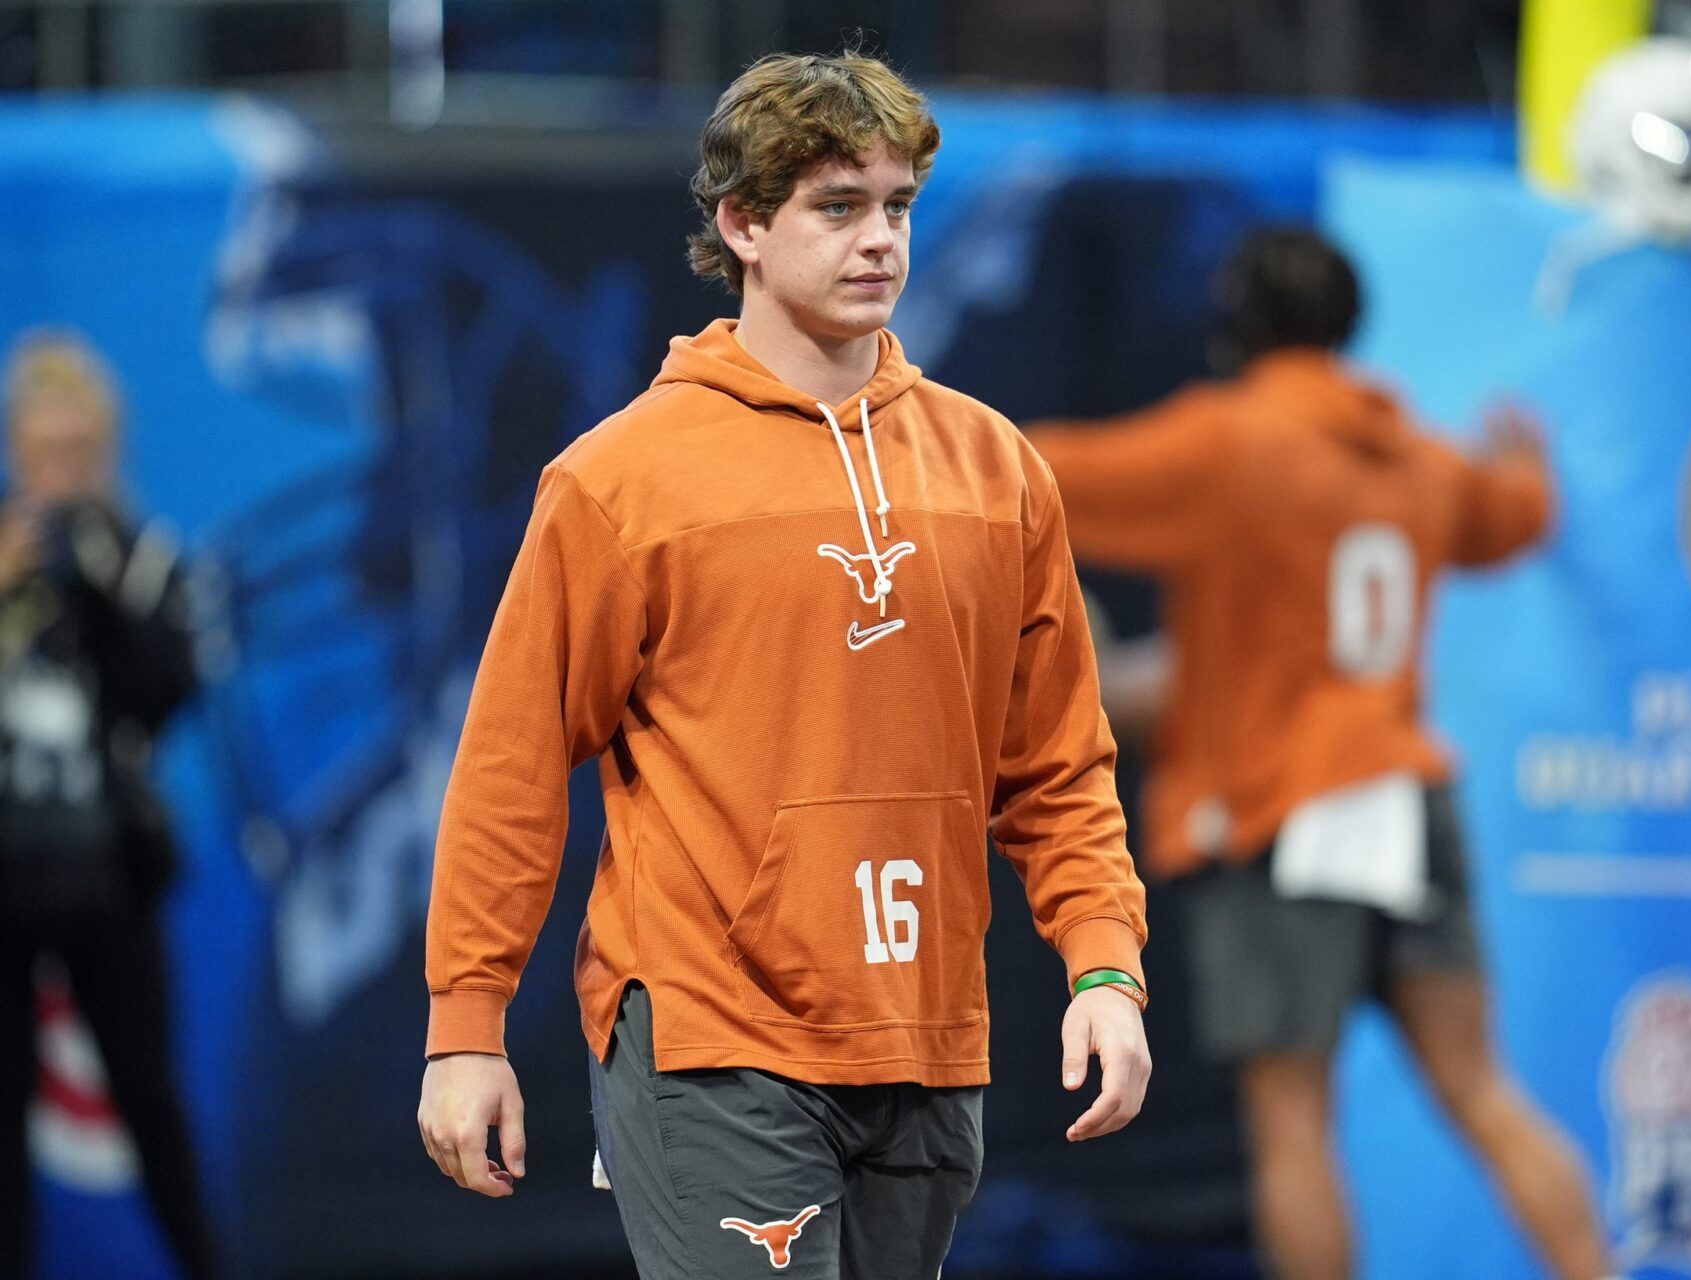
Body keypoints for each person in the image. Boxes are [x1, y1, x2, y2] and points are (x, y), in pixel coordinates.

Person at [415, 50, 1151, 1280]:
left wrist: (1106, 964)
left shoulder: (996, 470)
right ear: (743, 222)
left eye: (899, 206)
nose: (881, 242)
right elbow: (513, 762)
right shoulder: (622, 479)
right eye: (837, 206)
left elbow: (1058, 763)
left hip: (926, 1029)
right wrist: (464, 1027)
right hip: (712, 1028)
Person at [1025, 228, 1618, 1280]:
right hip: (1407, 790)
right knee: (1481, 1086)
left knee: (1292, 1117)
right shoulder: (1423, 455)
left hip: (1284, 810)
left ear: (1237, 326)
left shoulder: (1231, 443)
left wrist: (905, 423)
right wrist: (1528, 474)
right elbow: (1512, 515)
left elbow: (1035, 473)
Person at [0, 332, 213, 1280]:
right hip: (5, 875)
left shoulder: (141, 559)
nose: (62, 474)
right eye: (46, 455)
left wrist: (93, 594)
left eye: (79, 454)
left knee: (150, 1101)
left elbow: (165, 698)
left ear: (110, 448)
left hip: (109, 876)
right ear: (17, 450)